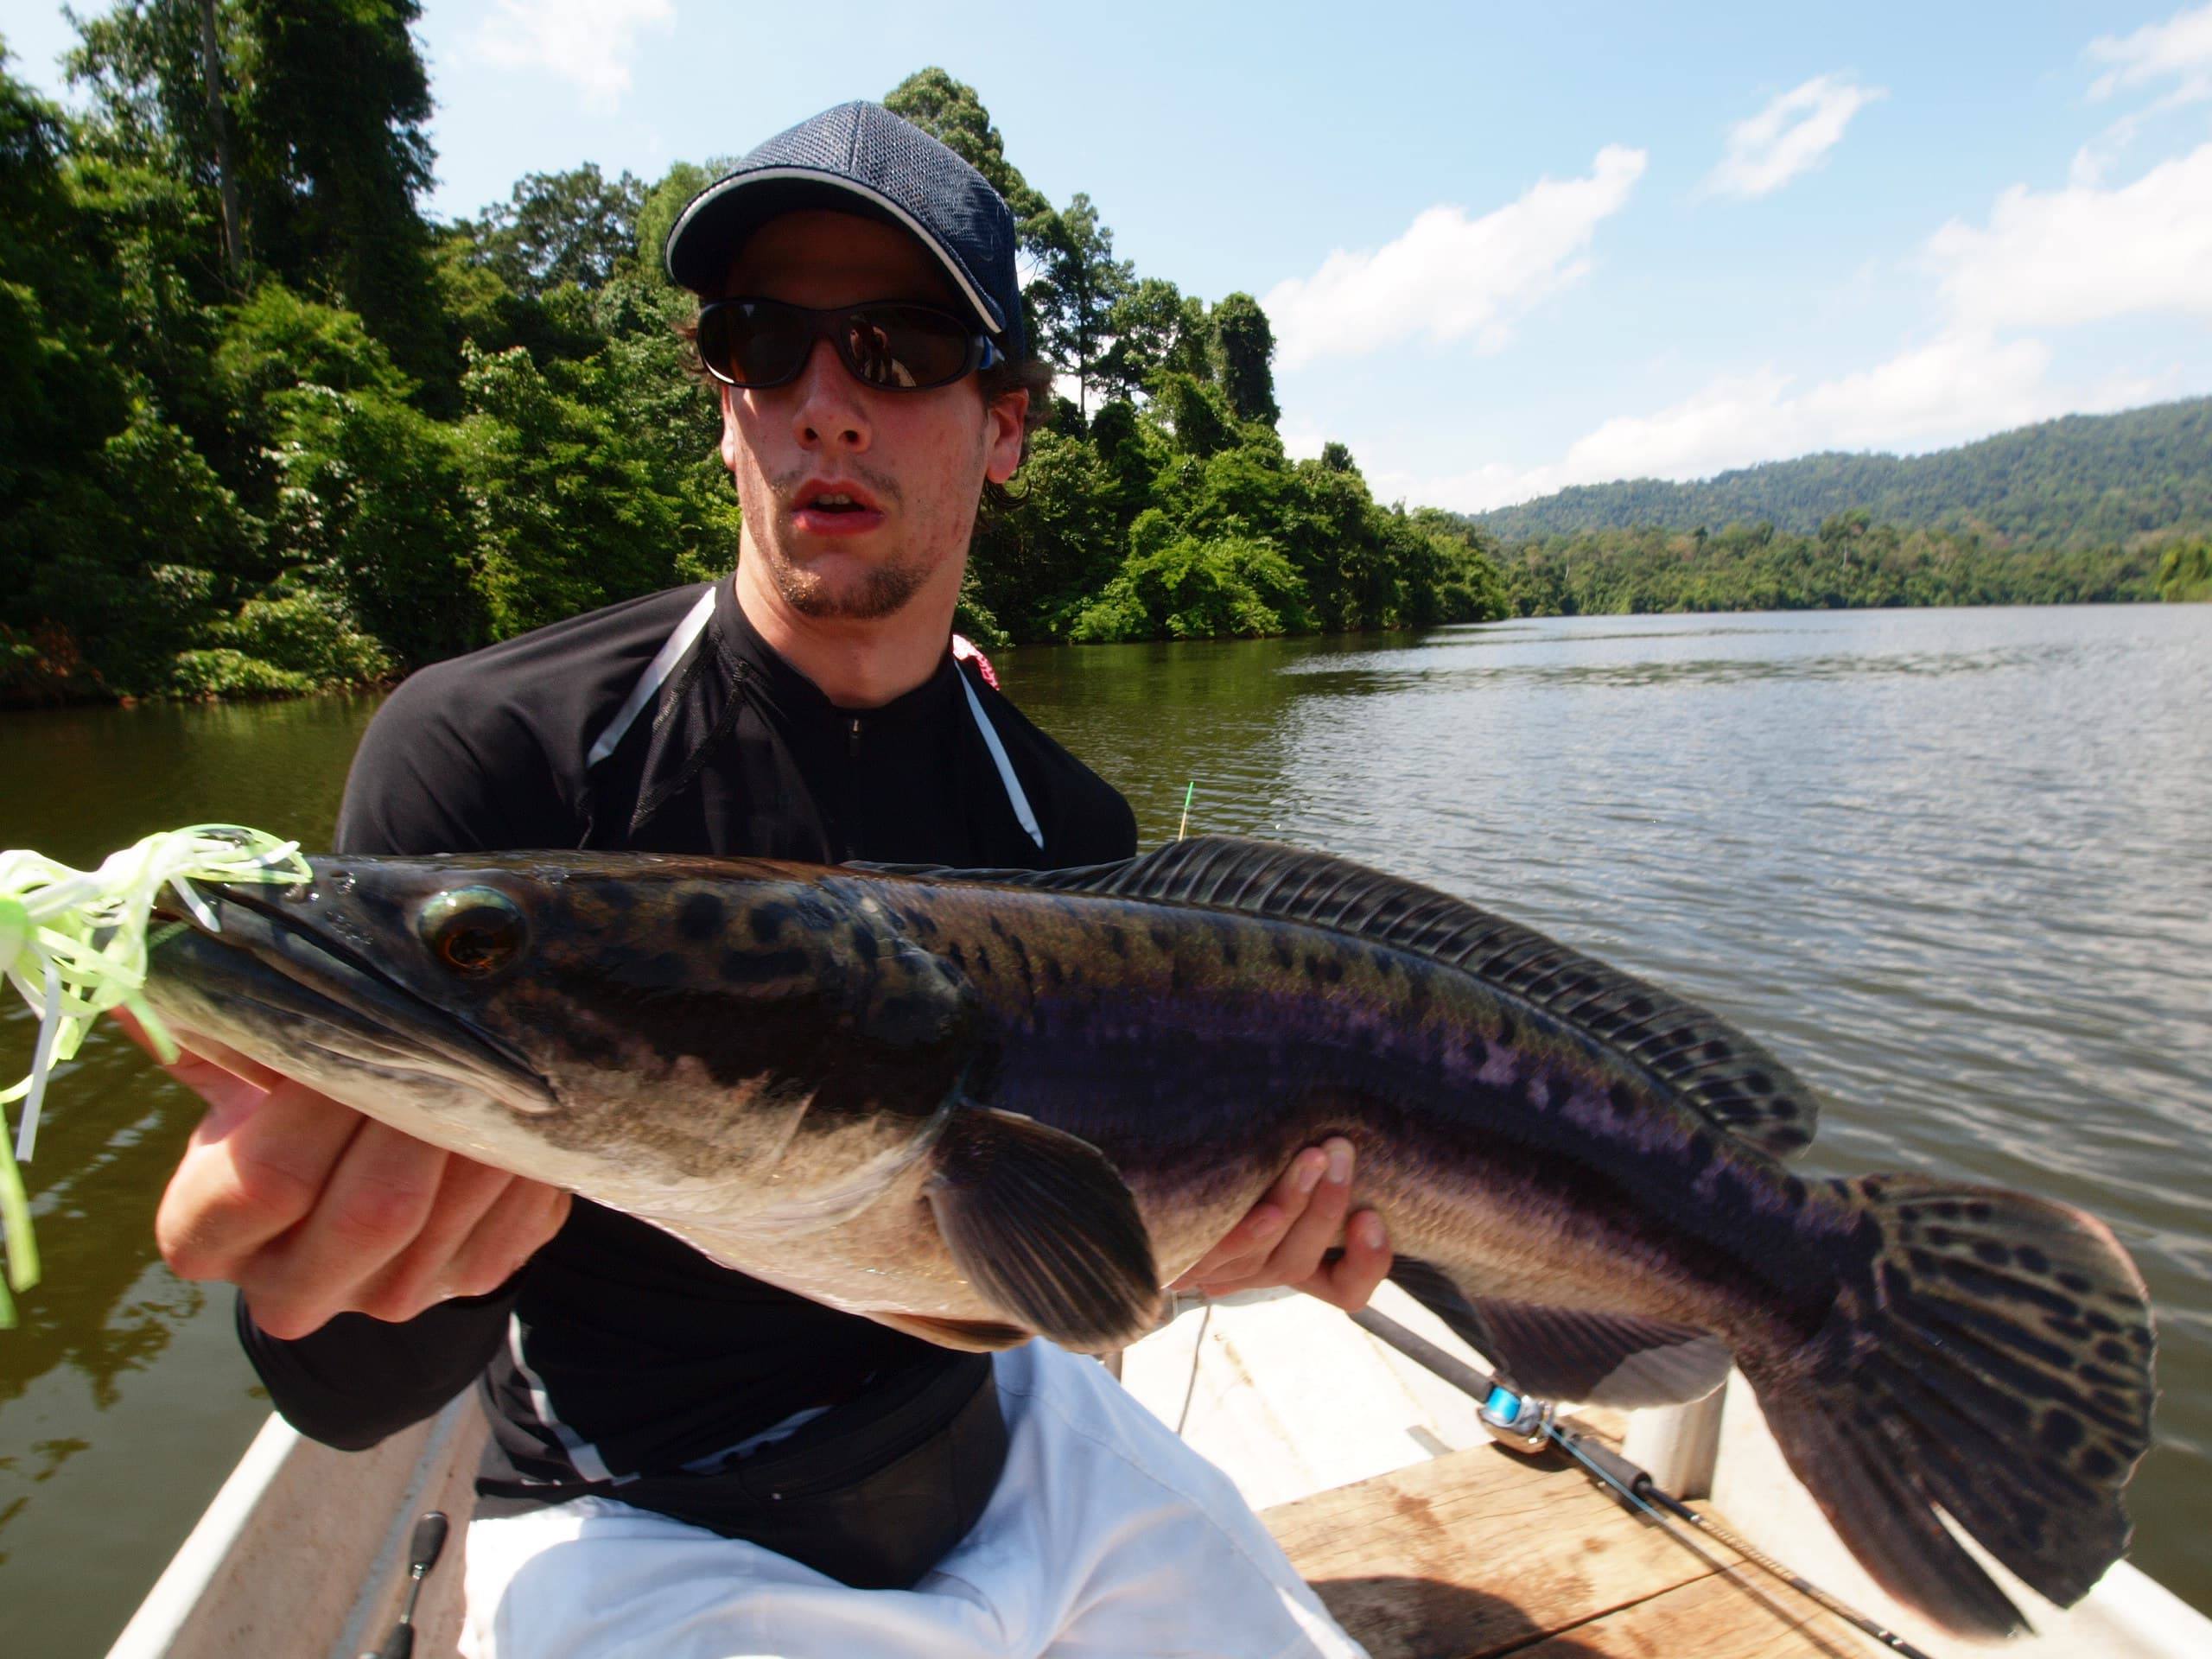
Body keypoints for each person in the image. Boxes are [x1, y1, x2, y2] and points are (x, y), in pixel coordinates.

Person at [144, 102, 1389, 1657]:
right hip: (638, 1517)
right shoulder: (488, 753)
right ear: (722, 399)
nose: (826, 406)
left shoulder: (1070, 827)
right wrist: (341, 1290)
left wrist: (1222, 1252)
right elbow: (346, 1397)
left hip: (1011, 1444)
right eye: (763, 341)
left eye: (902, 349)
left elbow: (1051, 1282)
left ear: (1006, 424)